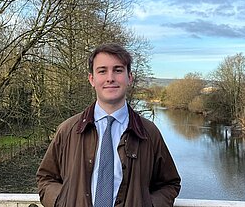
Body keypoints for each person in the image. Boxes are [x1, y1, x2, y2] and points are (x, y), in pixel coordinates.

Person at [36, 43, 181, 207]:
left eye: (118, 70)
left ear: (129, 78)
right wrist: (62, 202)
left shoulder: (148, 133)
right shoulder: (68, 130)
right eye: (102, 71)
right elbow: (45, 177)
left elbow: (170, 183)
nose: (110, 78)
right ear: (92, 79)